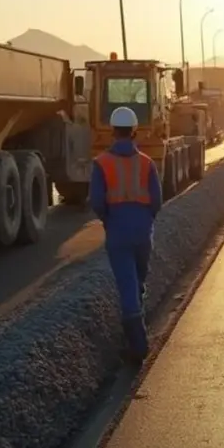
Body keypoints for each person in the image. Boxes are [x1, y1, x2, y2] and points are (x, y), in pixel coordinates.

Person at [89, 105, 163, 364]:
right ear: (134, 132)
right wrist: (145, 220)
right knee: (138, 281)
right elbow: (157, 200)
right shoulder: (147, 163)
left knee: (127, 285)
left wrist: (109, 220)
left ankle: (138, 346)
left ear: (113, 131)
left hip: (118, 232)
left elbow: (97, 201)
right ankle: (134, 332)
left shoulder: (101, 163)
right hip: (143, 231)